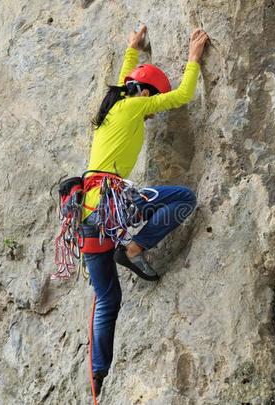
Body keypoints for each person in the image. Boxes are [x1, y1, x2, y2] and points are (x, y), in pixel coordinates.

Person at [82, 25, 209, 397]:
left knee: (108, 298)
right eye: (150, 104)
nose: (149, 115)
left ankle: (98, 375)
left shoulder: (113, 109)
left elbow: (127, 81)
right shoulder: (136, 104)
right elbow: (183, 94)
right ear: (145, 94)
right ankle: (134, 248)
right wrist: (193, 57)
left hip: (89, 216)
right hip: (114, 203)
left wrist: (132, 50)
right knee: (183, 198)